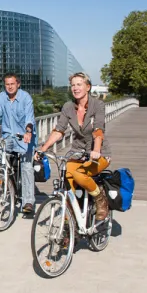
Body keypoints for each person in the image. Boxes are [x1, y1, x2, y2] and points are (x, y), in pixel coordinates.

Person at [37, 72, 111, 222]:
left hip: (99, 153)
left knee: (79, 174)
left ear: (88, 87)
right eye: (73, 85)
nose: (75, 88)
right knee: (66, 177)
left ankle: (100, 198)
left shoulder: (98, 105)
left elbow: (98, 130)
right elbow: (59, 130)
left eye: (79, 84)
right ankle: (70, 222)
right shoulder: (68, 107)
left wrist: (96, 150)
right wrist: (43, 148)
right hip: (77, 152)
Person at [0, 73, 37, 215]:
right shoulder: (0, 98)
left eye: (12, 84)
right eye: (7, 84)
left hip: (25, 136)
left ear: (18, 84)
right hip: (9, 137)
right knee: (2, 159)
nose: (10, 86)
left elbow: (29, 118)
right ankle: (8, 185)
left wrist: (28, 131)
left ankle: (28, 201)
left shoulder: (26, 98)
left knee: (26, 167)